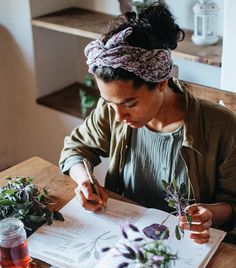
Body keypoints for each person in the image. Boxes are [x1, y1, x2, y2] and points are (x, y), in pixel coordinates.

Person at [59, 2, 236, 244]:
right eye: (109, 102)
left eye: (129, 103)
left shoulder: (223, 128)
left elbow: (234, 204)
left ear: (162, 82)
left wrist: (211, 214)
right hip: (126, 239)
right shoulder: (112, 110)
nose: (119, 116)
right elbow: (75, 148)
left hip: (192, 248)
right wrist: (84, 181)